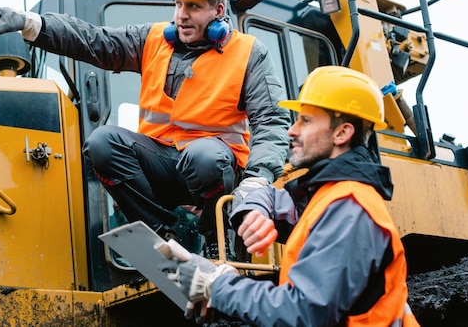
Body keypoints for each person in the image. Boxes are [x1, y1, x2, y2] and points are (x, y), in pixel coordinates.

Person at [0, 0, 291, 259]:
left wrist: (257, 178)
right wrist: (31, 23)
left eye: (192, 6)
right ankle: (162, 237)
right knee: (102, 142)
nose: (181, 14)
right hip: (162, 167)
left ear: (219, 9)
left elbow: (273, 119)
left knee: (204, 156)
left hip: (216, 171)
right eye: (178, 3)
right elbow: (93, 40)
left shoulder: (248, 53)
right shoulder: (152, 40)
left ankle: (215, 240)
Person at [158, 65, 420, 326]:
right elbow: (269, 196)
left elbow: (304, 313)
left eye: (305, 120)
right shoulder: (327, 196)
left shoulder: (350, 208)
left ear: (342, 133)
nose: (291, 131)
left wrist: (219, 286)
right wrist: (254, 211)